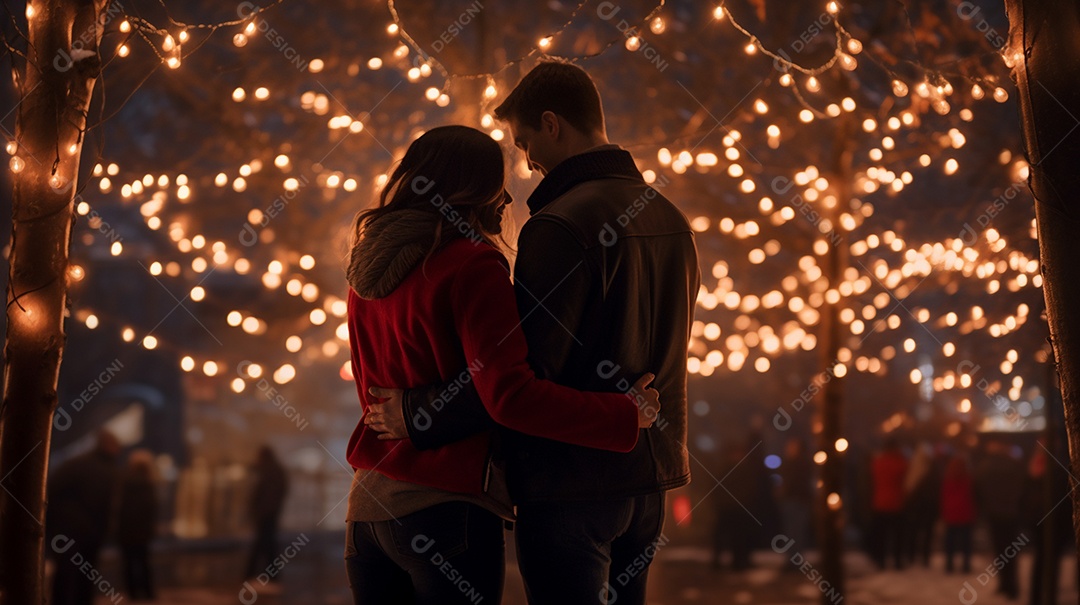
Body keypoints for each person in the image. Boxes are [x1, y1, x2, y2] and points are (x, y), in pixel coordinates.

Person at [365, 61, 700, 604]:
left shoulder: (559, 225)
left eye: (524, 143)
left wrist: (417, 413)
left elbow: (519, 377)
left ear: (551, 124)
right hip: (650, 479)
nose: (526, 161)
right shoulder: (671, 219)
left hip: (570, 483)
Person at [47, 430, 121, 605]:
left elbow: (53, 490)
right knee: (82, 572)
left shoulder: (77, 464)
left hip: (73, 529)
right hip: (85, 529)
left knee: (69, 572)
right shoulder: (106, 469)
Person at [975, 439, 1026, 599]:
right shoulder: (1014, 465)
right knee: (1010, 551)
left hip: (994, 513)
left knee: (999, 550)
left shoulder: (986, 466)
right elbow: (1022, 488)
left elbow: (978, 488)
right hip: (1010, 513)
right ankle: (1010, 586)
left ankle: (1005, 584)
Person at [115, 449, 158, 601]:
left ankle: (133, 593)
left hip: (126, 530)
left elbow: (119, 507)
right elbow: (151, 510)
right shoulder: (149, 483)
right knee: (144, 562)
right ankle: (148, 592)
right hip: (143, 531)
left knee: (128, 563)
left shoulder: (124, 481)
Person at [245, 446, 289, 585]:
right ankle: (269, 573)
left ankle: (254, 572)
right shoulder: (274, 470)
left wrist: (261, 511)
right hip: (269, 513)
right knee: (267, 544)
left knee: (264, 543)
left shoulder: (270, 471)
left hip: (266, 514)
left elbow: (267, 494)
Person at [868, 438, 907, 570]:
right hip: (896, 503)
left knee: (881, 536)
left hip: (879, 503)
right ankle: (897, 561)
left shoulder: (877, 462)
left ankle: (881, 560)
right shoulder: (900, 463)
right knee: (897, 537)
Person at [940, 452, 975, 574]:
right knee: (966, 542)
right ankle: (966, 565)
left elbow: (943, 497)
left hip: (951, 514)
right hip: (966, 513)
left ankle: (949, 564)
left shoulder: (947, 479)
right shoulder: (969, 479)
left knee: (950, 541)